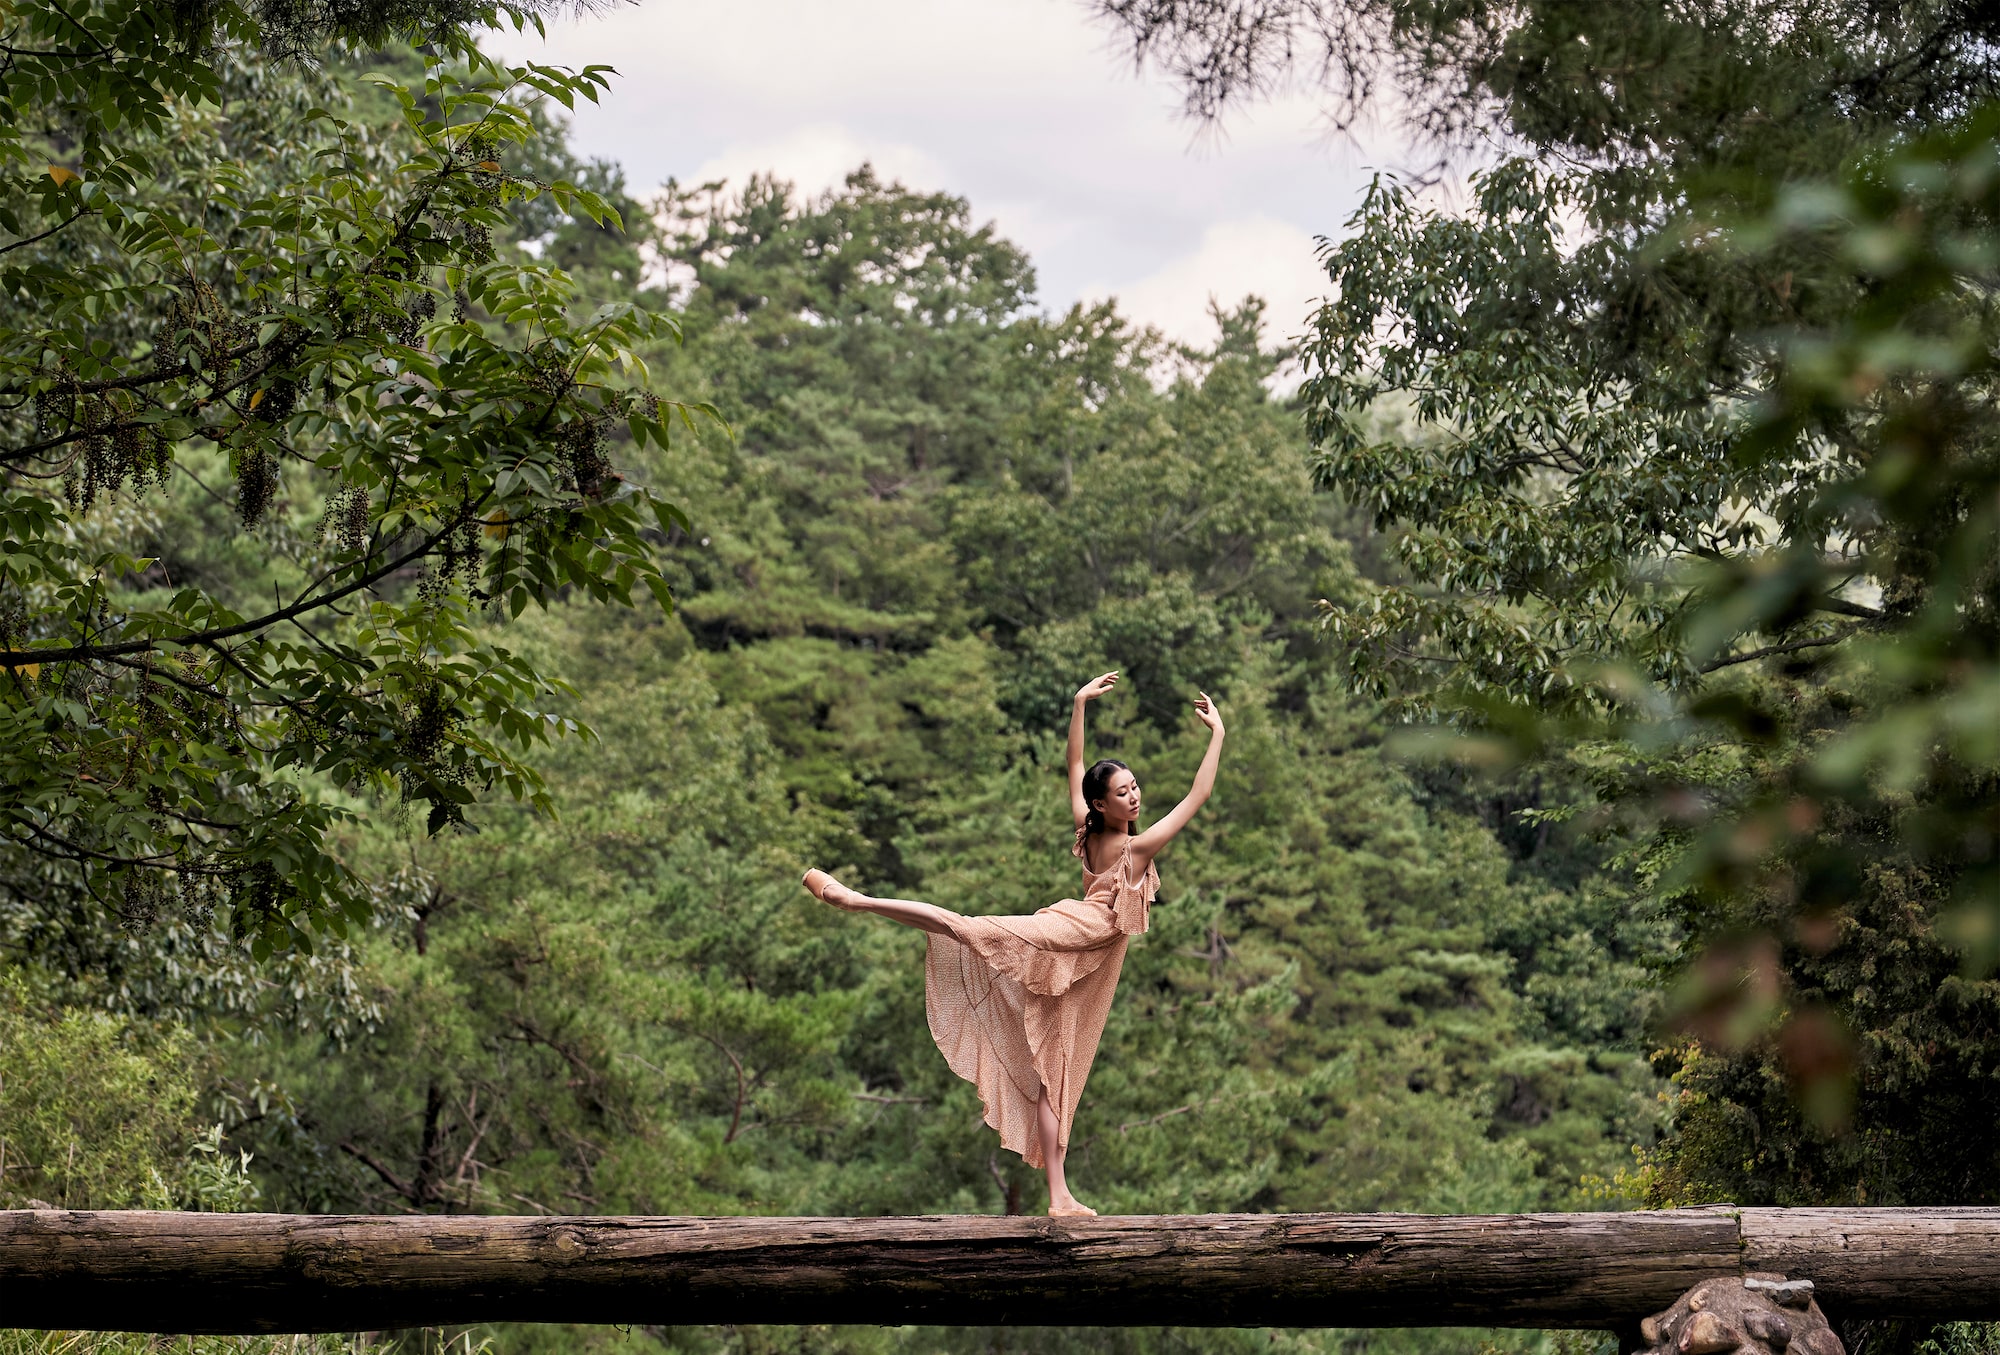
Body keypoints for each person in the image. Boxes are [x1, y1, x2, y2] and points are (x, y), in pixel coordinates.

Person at [801, 670, 1226, 1216]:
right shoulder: (1136, 850)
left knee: (1057, 1075)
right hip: (1071, 936)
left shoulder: (1091, 828)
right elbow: (1200, 793)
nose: (1135, 797)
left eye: (1135, 787)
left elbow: (1076, 768)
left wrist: (1078, 705)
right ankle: (855, 900)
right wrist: (1217, 735)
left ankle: (1058, 1196)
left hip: (1084, 968)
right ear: (1102, 805)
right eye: (1123, 792)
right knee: (970, 928)